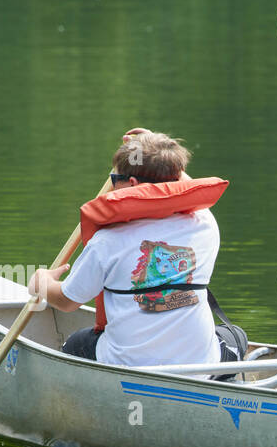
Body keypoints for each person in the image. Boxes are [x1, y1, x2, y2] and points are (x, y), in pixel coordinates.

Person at [28, 129, 245, 368]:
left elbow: (67, 302)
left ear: (131, 184)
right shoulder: (204, 224)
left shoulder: (107, 241)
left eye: (113, 179)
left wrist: (41, 283)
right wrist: (157, 153)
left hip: (127, 365)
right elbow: (186, 188)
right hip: (200, 368)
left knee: (74, 344)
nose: (111, 187)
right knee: (237, 336)